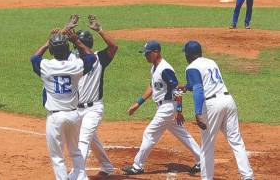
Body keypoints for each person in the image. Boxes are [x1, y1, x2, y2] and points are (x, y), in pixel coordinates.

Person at [121, 41, 201, 175]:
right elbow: (152, 86)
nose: (145, 56)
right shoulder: (154, 68)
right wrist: (138, 103)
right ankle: (201, 159)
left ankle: (137, 166)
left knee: (149, 133)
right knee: (183, 134)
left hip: (168, 107)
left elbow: (177, 90)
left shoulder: (165, 69)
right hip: (164, 107)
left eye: (147, 53)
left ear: (156, 52)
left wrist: (179, 111)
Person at [180, 41, 254, 180]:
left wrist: (197, 112)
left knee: (207, 145)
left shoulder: (191, 67)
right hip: (228, 101)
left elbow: (199, 88)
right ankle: (248, 176)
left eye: (186, 53)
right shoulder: (211, 62)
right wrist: (186, 87)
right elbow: (203, 82)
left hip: (212, 105)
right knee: (237, 142)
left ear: (189, 54)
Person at [30, 28, 96, 180]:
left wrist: (49, 41)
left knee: (57, 156)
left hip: (55, 117)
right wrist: (76, 41)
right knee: (76, 151)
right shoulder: (76, 66)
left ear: (52, 51)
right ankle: (81, 178)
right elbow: (91, 57)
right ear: (67, 49)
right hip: (74, 115)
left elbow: (34, 58)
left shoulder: (46, 66)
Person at [67, 15, 117, 177]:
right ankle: (107, 166)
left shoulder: (99, 58)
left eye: (76, 43)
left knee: (83, 139)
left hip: (93, 109)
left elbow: (113, 47)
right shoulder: (71, 58)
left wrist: (100, 30)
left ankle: (77, 173)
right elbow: (56, 45)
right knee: (92, 139)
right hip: (76, 109)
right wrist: (66, 29)